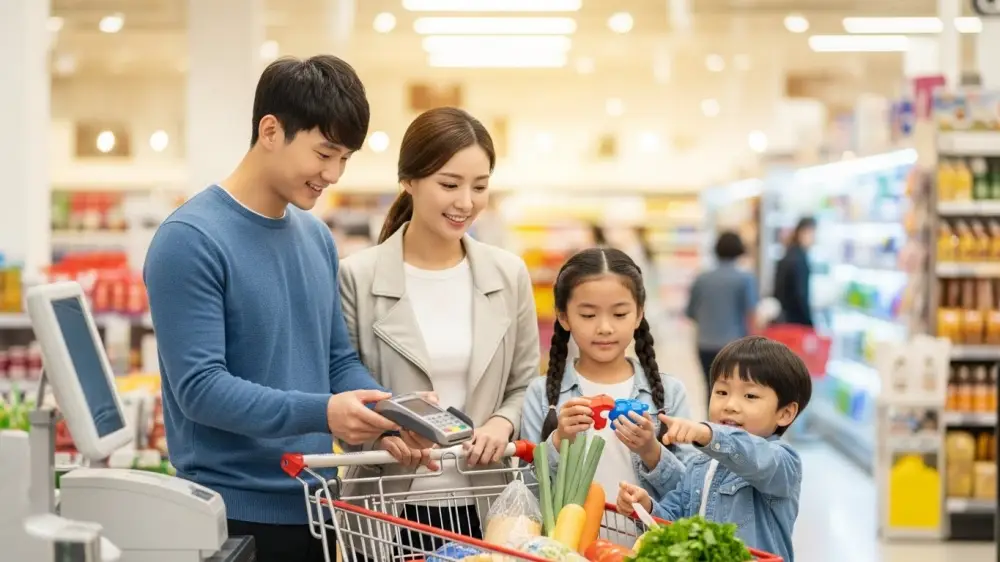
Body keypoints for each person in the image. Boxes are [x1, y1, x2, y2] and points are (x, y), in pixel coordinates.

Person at [143, 55, 431, 562]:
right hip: (231, 519)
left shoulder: (315, 237)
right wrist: (323, 411)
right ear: (271, 130)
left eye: (345, 158)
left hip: (317, 508)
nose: (334, 174)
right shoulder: (189, 241)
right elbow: (201, 390)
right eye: (324, 153)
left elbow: (334, 359)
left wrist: (389, 413)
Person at [337, 106, 541, 554]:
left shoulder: (507, 275)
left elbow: (527, 381)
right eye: (449, 184)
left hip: (489, 502)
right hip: (387, 503)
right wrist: (386, 432)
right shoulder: (357, 277)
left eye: (480, 186)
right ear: (408, 180)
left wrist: (502, 422)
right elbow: (341, 382)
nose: (466, 202)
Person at [521, 247, 696, 505]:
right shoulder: (543, 393)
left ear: (638, 315)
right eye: (588, 315)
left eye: (619, 314)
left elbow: (692, 492)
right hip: (570, 544)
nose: (604, 328)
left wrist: (652, 452)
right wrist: (559, 442)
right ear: (564, 317)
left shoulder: (669, 393)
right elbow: (528, 490)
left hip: (647, 543)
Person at [616, 336, 813, 562]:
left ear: (785, 413)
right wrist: (646, 507)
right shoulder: (700, 465)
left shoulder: (783, 461)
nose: (730, 405)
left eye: (750, 396)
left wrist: (707, 434)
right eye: (721, 392)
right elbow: (674, 519)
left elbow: (752, 456)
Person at [686, 231, 758, 408]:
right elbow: (751, 313)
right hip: (734, 346)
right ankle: (728, 429)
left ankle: (709, 429)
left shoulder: (702, 278)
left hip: (704, 343)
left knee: (711, 388)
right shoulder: (745, 278)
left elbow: (690, 312)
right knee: (734, 391)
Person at [773, 217, 816, 327]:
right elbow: (801, 294)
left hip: (784, 319)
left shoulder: (788, 254)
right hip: (796, 322)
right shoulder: (799, 259)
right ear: (803, 232)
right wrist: (809, 322)